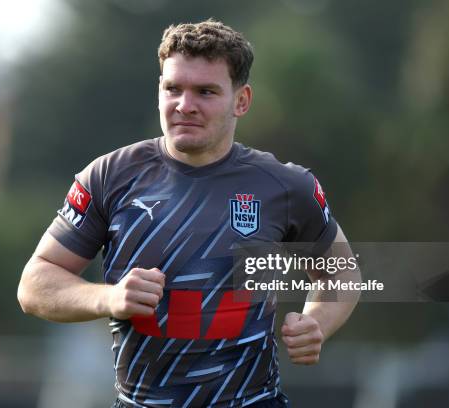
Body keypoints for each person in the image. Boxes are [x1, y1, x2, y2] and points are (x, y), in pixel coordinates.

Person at [18, 19, 359, 408]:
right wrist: (108, 298)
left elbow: (343, 273)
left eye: (206, 91)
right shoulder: (109, 176)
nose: (185, 105)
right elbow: (34, 285)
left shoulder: (286, 185)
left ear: (241, 101)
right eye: (173, 89)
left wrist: (317, 323)